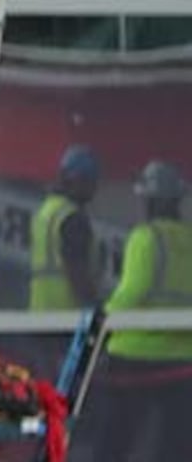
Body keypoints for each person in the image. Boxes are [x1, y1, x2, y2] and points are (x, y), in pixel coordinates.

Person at [87, 159, 192, 461]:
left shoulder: (147, 238)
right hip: (183, 357)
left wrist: (100, 324)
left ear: (152, 200)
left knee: (115, 440)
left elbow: (130, 294)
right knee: (175, 446)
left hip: (135, 354)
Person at [36, 147, 108, 317]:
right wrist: (96, 310)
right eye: (91, 182)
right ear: (77, 179)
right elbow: (77, 271)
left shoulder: (47, 211)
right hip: (67, 317)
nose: (94, 190)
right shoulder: (72, 219)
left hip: (40, 315)